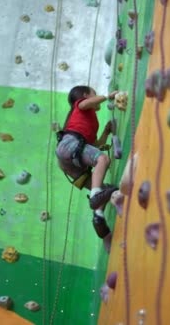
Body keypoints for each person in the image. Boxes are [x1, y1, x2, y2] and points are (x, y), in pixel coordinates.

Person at [56, 85, 119, 239]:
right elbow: (85, 103)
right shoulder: (80, 106)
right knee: (103, 159)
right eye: (94, 94)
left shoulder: (88, 121)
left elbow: (95, 145)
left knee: (104, 189)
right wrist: (107, 96)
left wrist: (106, 131)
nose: (96, 98)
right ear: (85, 96)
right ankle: (95, 197)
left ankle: (99, 217)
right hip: (70, 146)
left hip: (68, 160)